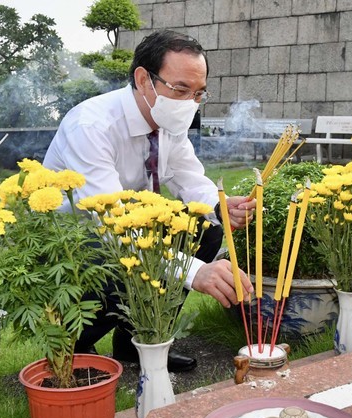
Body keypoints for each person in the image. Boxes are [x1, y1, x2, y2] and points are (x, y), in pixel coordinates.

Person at [43, 30, 255, 372]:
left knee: (204, 228)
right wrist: (194, 271)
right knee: (113, 258)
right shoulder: (92, 125)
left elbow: (188, 176)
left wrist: (220, 206)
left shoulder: (168, 119)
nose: (190, 103)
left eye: (199, 93)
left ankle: (138, 340)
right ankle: (75, 343)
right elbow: (113, 227)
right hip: (76, 241)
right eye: (181, 89)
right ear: (144, 79)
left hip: (128, 227)